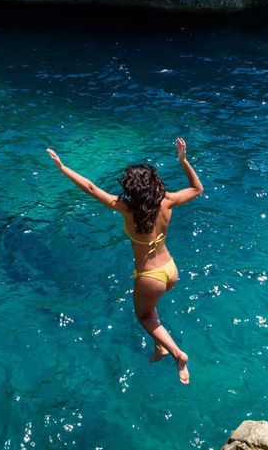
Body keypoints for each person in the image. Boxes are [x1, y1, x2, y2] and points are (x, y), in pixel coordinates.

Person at [46, 138, 203, 385]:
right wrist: (183, 161)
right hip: (170, 270)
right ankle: (159, 347)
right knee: (151, 310)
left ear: (132, 189)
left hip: (150, 277)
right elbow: (197, 189)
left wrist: (63, 168)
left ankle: (177, 354)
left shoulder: (126, 208)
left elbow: (90, 187)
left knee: (144, 316)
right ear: (155, 184)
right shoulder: (168, 201)